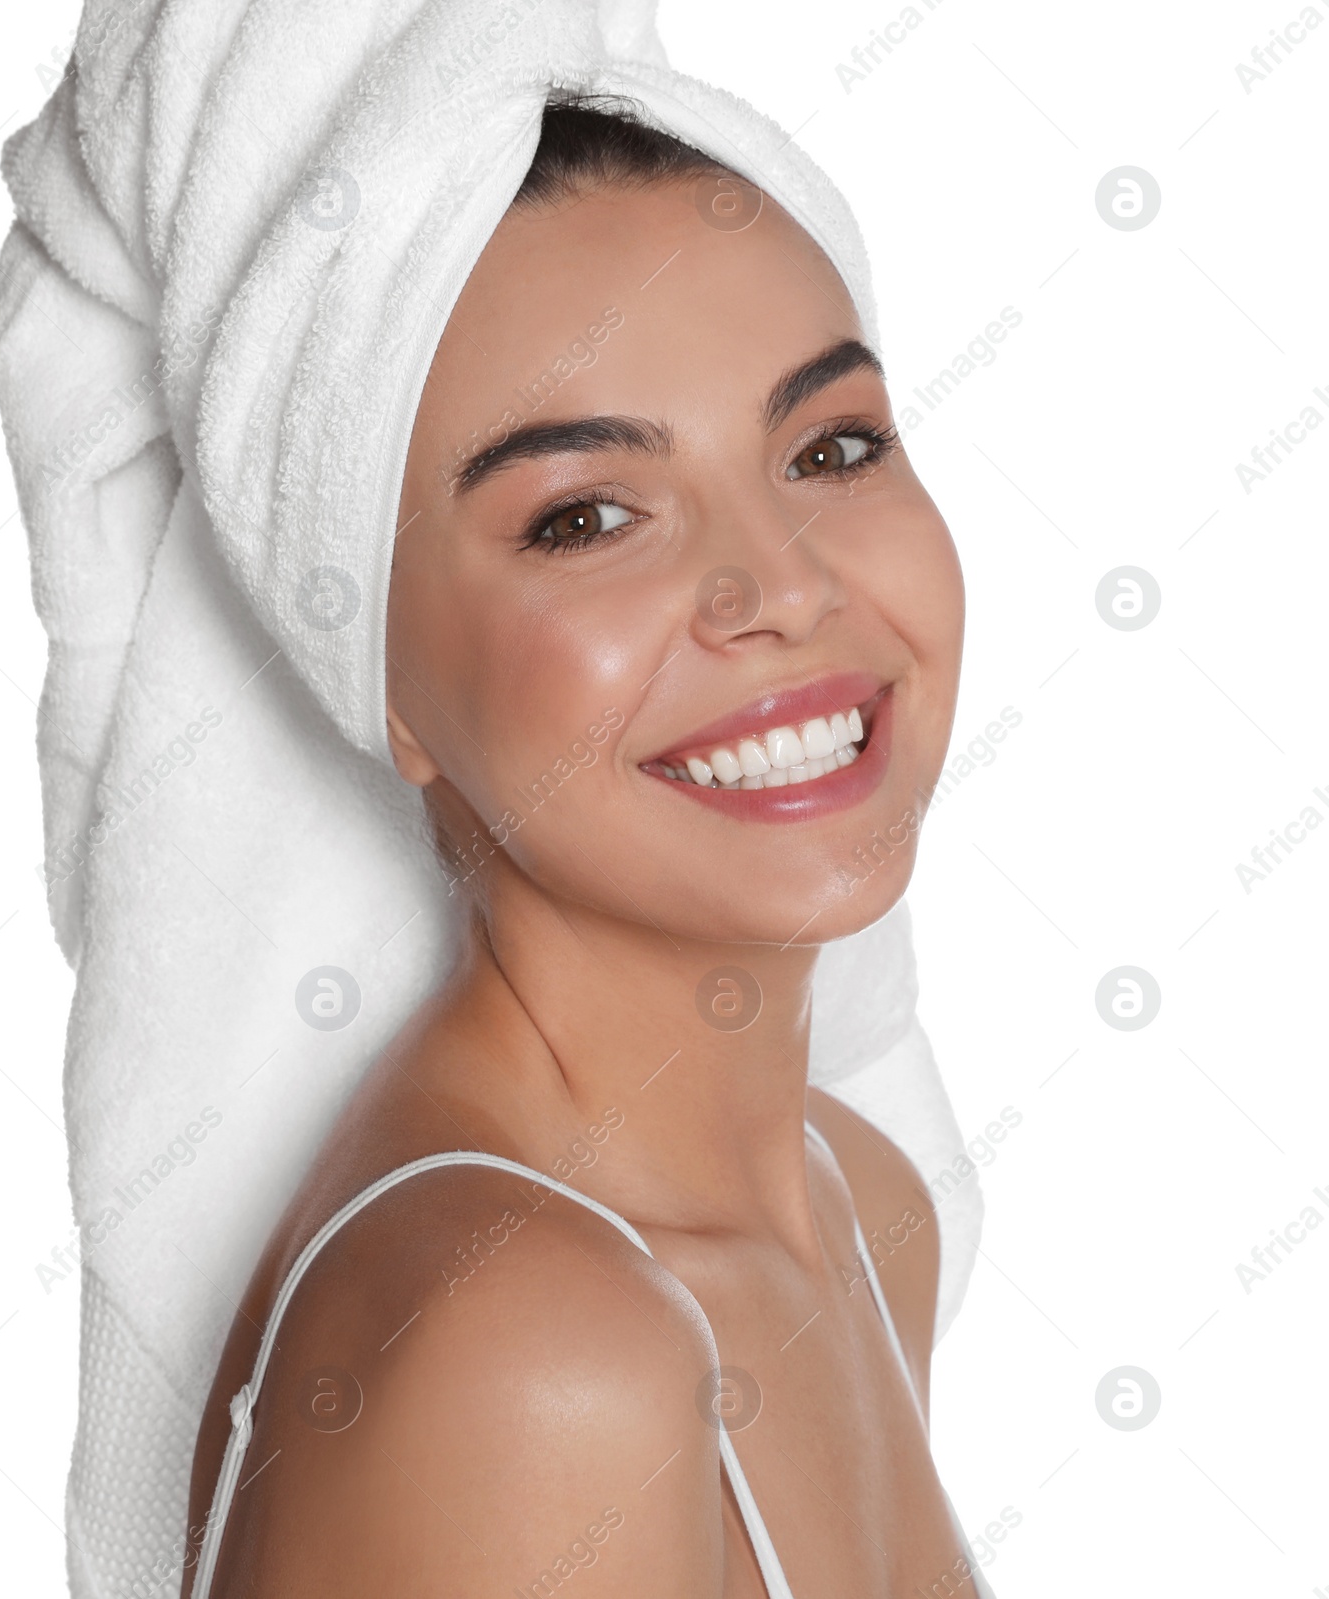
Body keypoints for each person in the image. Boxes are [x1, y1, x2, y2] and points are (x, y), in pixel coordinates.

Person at [183, 99, 980, 1599]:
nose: (782, 589)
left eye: (832, 445)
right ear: (382, 680)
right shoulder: (534, 1355)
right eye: (588, 516)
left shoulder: (866, 1212)